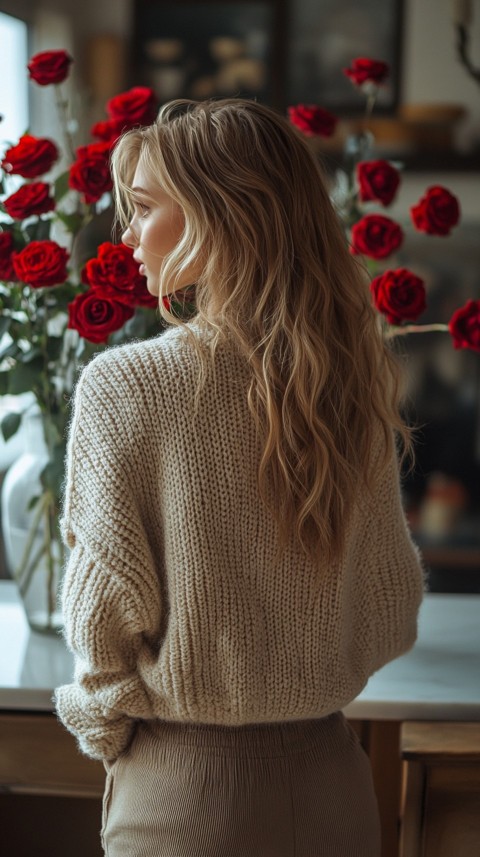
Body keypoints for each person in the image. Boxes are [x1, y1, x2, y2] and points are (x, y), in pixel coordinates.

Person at [55, 98, 424, 857]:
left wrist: (113, 733)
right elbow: (391, 604)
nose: (127, 233)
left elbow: (102, 625)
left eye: (147, 207)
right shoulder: (348, 385)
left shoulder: (125, 385)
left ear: (221, 217)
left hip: (183, 792)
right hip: (334, 787)